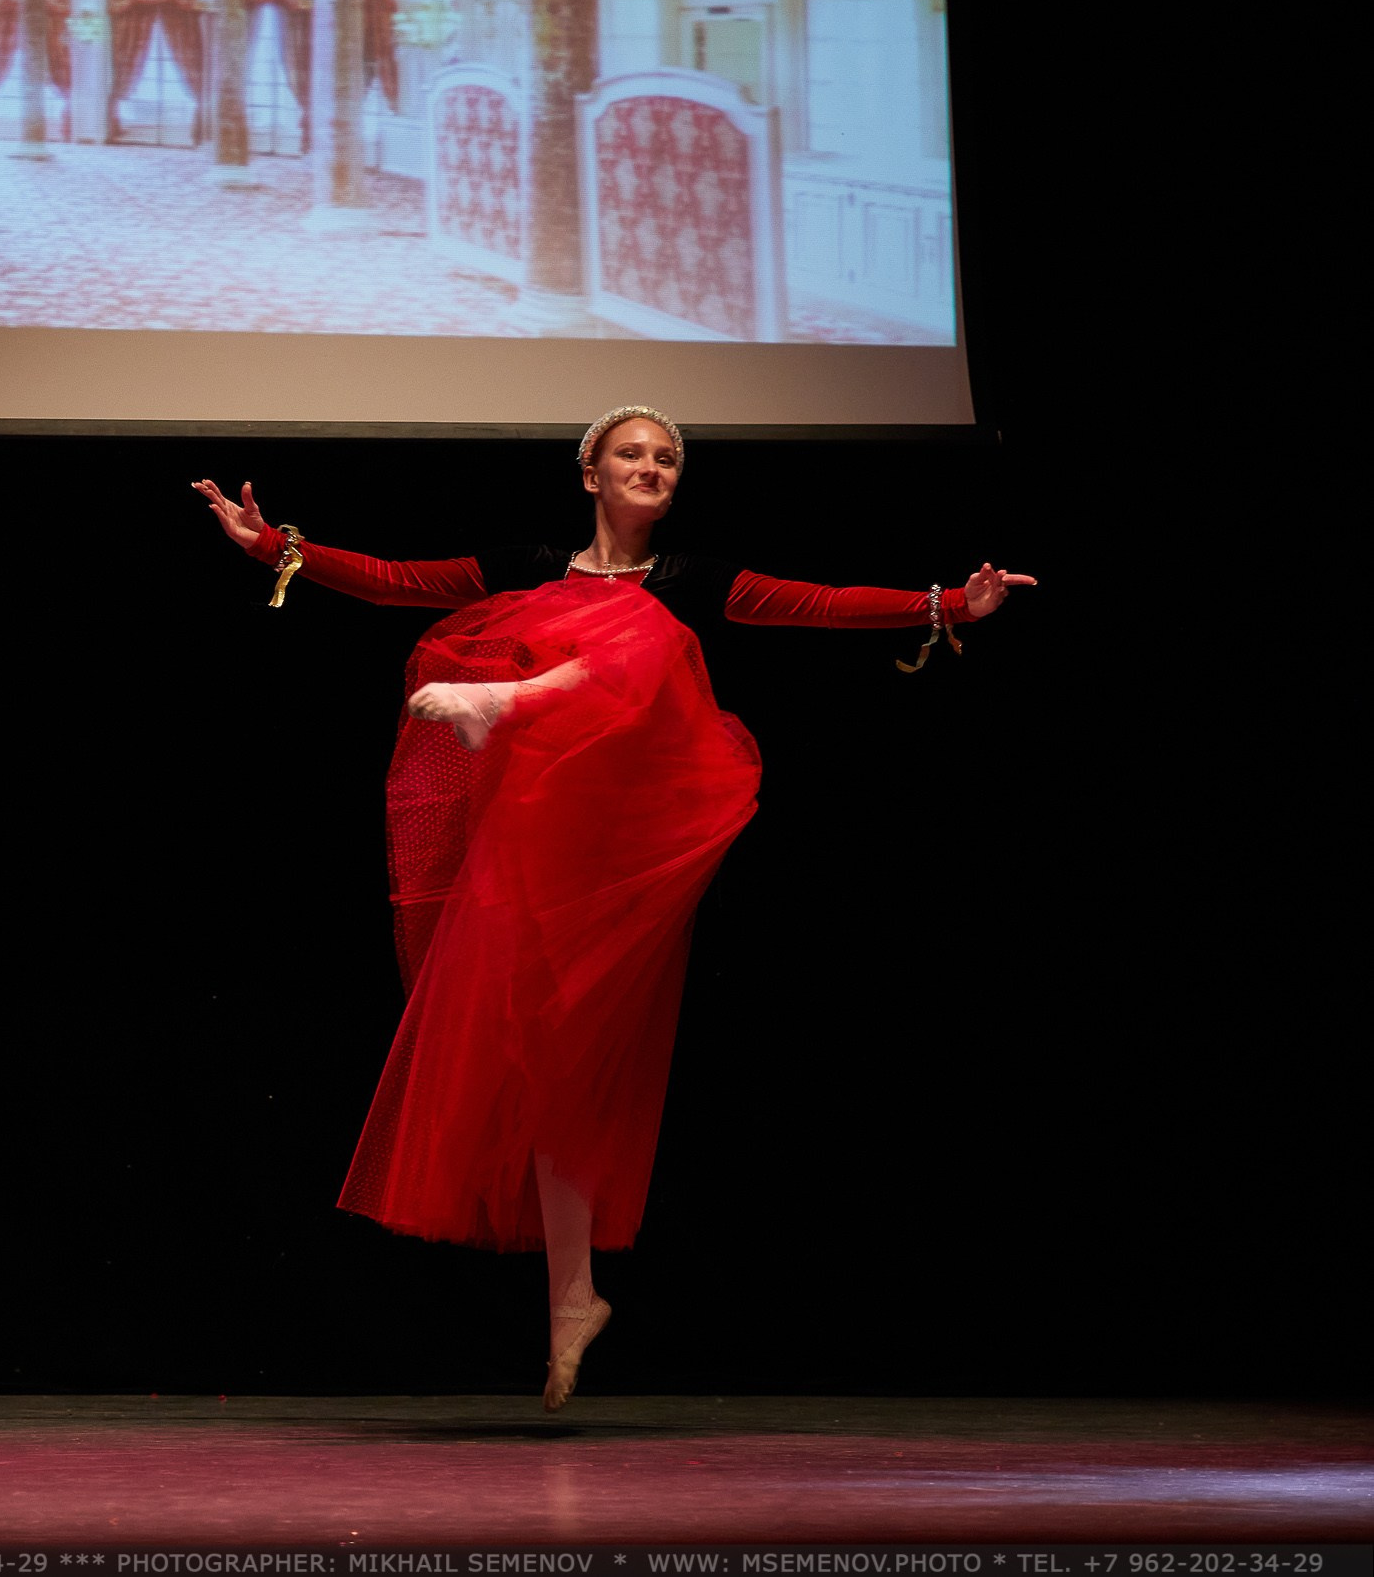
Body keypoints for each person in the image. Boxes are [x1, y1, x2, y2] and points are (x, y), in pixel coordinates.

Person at [193, 406, 1033, 1411]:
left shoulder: (688, 582)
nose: (652, 467)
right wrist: (283, 547)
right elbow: (399, 579)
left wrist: (942, 602)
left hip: (627, 848)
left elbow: (816, 603)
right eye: (632, 452)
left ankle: (509, 700)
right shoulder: (528, 561)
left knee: (645, 634)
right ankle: (574, 1298)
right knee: (556, 1072)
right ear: (589, 470)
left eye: (667, 457)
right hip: (533, 854)